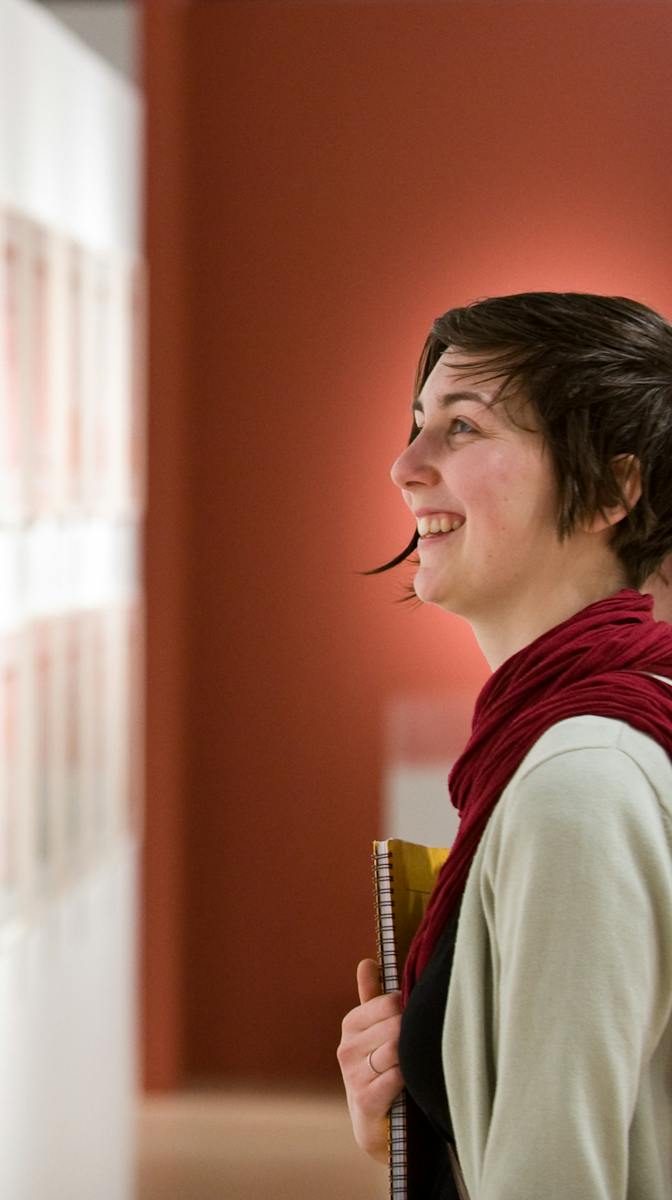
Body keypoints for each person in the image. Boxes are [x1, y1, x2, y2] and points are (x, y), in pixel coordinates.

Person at [335, 292, 672, 1199]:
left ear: (610, 488)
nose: (405, 467)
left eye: (463, 428)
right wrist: (438, 1119)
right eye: (417, 425)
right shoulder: (607, 735)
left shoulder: (583, 783)